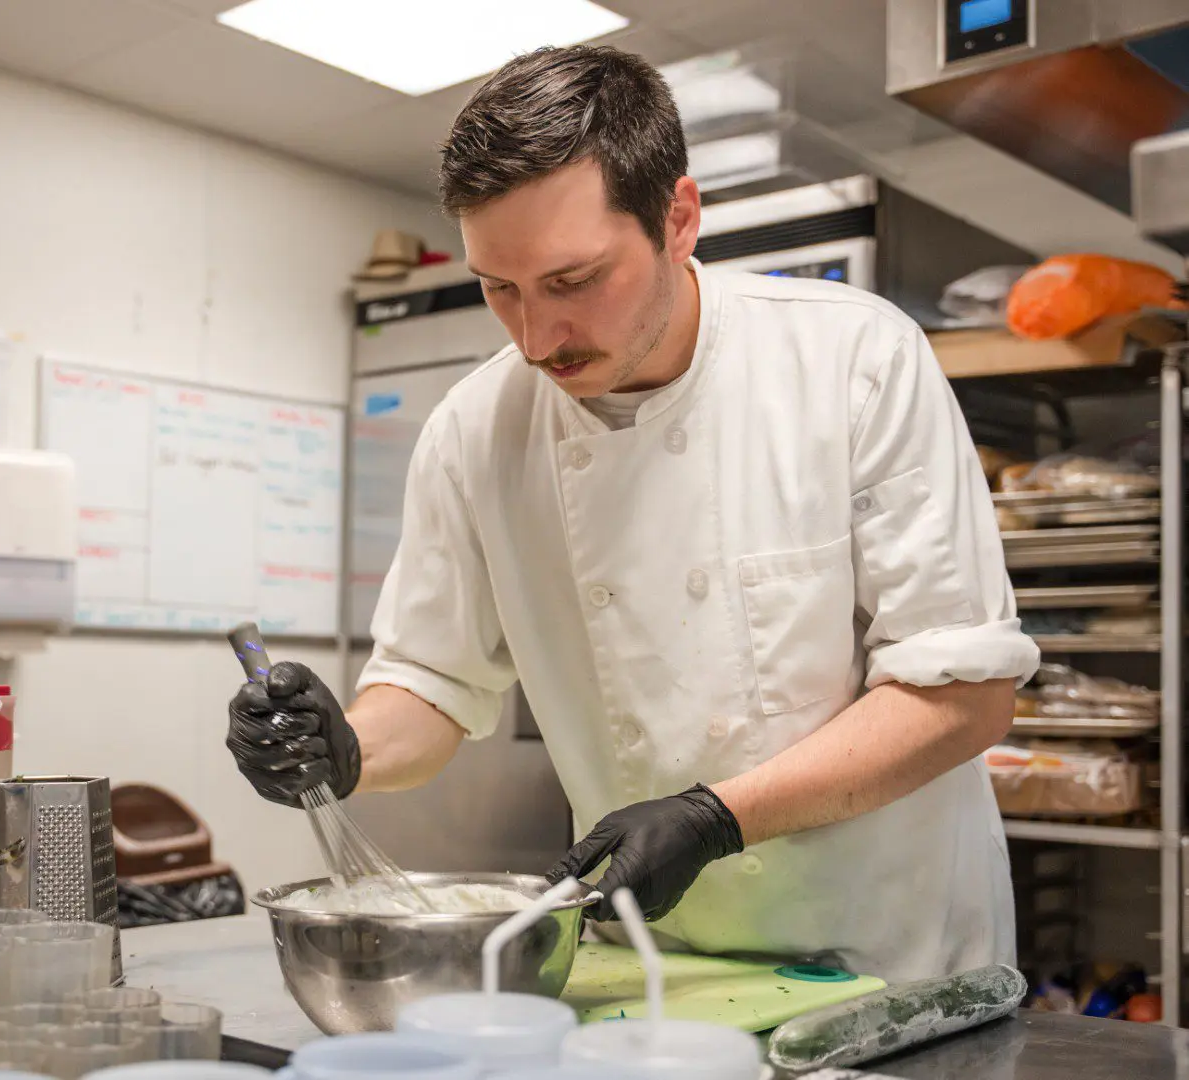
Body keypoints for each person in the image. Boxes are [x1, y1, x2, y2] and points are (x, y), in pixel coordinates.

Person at [226, 45, 1038, 982]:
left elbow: (965, 698)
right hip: (653, 966)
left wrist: (716, 817)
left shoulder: (853, 363)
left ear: (679, 219)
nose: (536, 338)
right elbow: (434, 683)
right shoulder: (474, 430)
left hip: (890, 956)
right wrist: (347, 746)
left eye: (572, 282)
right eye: (500, 289)